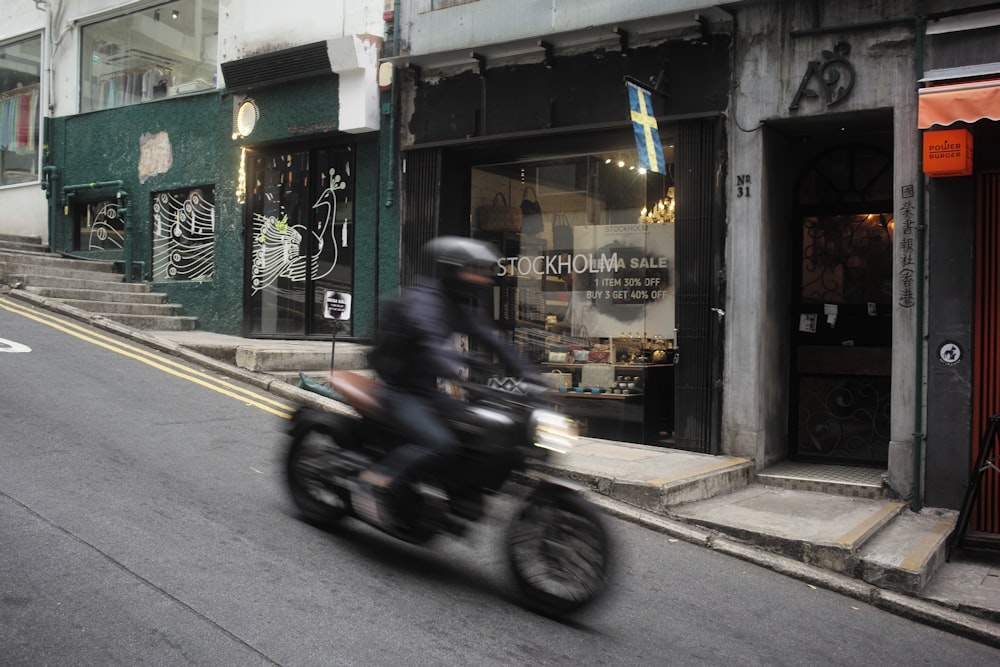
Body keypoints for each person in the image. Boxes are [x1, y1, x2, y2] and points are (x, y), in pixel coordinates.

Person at [359, 236, 542, 530]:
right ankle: (374, 481)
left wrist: (531, 375)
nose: (481, 279)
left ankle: (452, 491)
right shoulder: (424, 301)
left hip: (428, 392)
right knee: (441, 443)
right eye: (474, 270)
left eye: (483, 271)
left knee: (477, 429)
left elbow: (493, 339)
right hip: (400, 391)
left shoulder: (456, 306)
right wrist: (459, 372)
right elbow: (433, 345)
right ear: (452, 270)